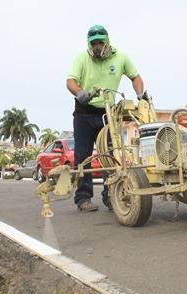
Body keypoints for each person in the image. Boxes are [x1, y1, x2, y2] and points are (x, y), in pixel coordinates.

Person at [67, 24, 146, 212]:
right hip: (84, 113)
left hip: (107, 115)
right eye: (93, 43)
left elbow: (136, 77)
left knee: (110, 156)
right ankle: (83, 198)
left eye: (99, 42)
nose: (96, 46)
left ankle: (111, 196)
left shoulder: (121, 57)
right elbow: (70, 81)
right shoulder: (81, 58)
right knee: (83, 157)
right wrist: (79, 92)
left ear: (107, 42)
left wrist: (140, 94)